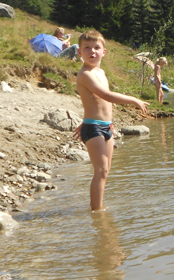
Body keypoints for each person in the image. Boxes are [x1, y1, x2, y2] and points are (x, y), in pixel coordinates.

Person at [72, 30, 147, 211]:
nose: (92, 52)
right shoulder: (85, 74)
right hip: (93, 128)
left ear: (103, 52)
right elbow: (106, 95)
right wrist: (133, 99)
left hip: (106, 127)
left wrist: (90, 120)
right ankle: (97, 212)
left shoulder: (101, 72)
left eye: (97, 48)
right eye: (87, 48)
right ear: (79, 52)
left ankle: (99, 207)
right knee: (101, 170)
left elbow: (98, 103)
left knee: (106, 171)